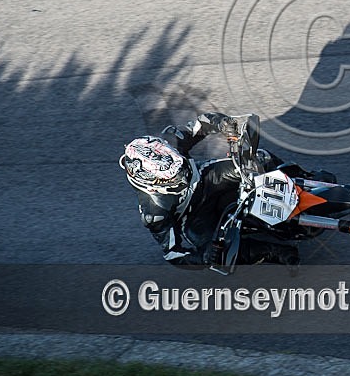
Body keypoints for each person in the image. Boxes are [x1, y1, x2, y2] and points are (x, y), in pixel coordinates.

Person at [119, 112, 301, 269]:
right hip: (193, 218)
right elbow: (172, 253)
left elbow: (201, 123)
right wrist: (202, 258)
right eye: (173, 176)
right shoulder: (154, 212)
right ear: (153, 183)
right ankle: (275, 252)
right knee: (218, 254)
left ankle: (301, 177)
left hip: (207, 178)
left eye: (180, 166)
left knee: (259, 158)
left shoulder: (172, 140)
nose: (182, 174)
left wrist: (223, 124)